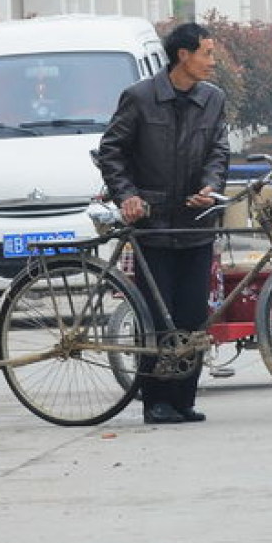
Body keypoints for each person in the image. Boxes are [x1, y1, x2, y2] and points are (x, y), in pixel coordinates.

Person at [97, 22, 229, 425]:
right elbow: (112, 152)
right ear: (183, 56)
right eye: (206, 53)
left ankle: (184, 398)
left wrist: (210, 186)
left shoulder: (213, 99)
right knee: (156, 314)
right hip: (152, 224)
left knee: (192, 315)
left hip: (196, 222)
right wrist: (128, 195)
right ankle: (156, 401)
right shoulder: (139, 98)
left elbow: (219, 152)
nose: (212, 61)